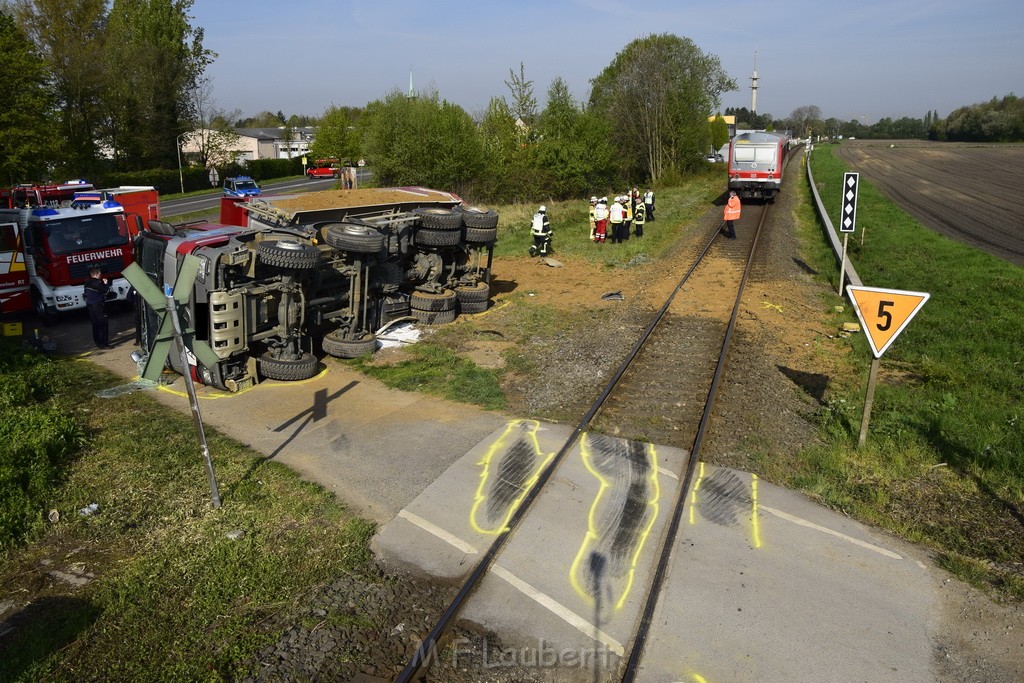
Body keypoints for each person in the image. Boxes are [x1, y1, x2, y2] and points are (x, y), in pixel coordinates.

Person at [83, 267, 110, 348]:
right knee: (103, 324)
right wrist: (106, 284)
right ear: (97, 274)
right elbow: (106, 292)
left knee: (95, 325)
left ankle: (97, 342)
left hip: (90, 306)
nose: (100, 276)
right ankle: (103, 344)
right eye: (100, 274)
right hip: (98, 306)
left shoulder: (87, 283)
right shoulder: (97, 283)